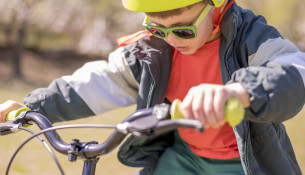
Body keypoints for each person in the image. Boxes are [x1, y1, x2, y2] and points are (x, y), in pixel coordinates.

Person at [1, 0, 305, 174]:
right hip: (182, 157)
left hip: (243, 163)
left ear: (218, 6)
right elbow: (92, 84)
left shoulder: (251, 38)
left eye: (183, 30)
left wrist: (240, 90)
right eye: (157, 28)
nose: (170, 39)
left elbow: (295, 70)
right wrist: (31, 107)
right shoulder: (150, 51)